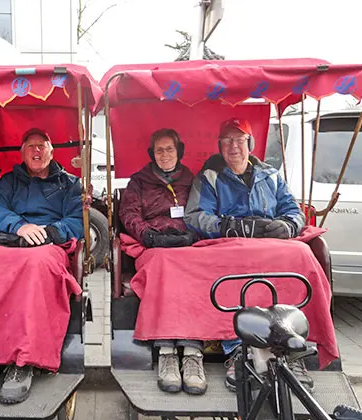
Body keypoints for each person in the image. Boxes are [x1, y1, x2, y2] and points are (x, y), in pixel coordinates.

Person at [183, 117, 311, 391]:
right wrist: (225, 227)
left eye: (239, 140)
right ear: (219, 146)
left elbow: (294, 211)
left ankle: (291, 343)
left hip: (270, 246)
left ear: (250, 144)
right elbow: (195, 216)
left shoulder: (271, 176)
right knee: (232, 273)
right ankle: (236, 349)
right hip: (230, 246)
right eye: (227, 141)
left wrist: (288, 225)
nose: (234, 147)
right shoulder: (209, 176)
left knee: (303, 256)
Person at [0, 128, 83, 404]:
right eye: (31, 147)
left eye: (42, 146)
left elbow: (78, 219)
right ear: (22, 153)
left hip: (50, 245)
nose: (37, 152)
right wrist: (20, 226)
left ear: (52, 151)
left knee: (36, 267)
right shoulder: (8, 182)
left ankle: (24, 361)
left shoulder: (71, 184)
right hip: (12, 241)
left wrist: (50, 233)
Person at [119, 129, 205, 395]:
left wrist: (193, 234)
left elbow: (203, 212)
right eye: (159, 150)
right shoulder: (139, 182)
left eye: (169, 149)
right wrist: (148, 236)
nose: (165, 155)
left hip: (187, 244)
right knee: (163, 267)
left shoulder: (192, 180)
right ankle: (166, 348)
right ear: (151, 154)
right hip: (153, 244)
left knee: (197, 269)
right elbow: (129, 213)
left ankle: (192, 350)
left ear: (178, 151)